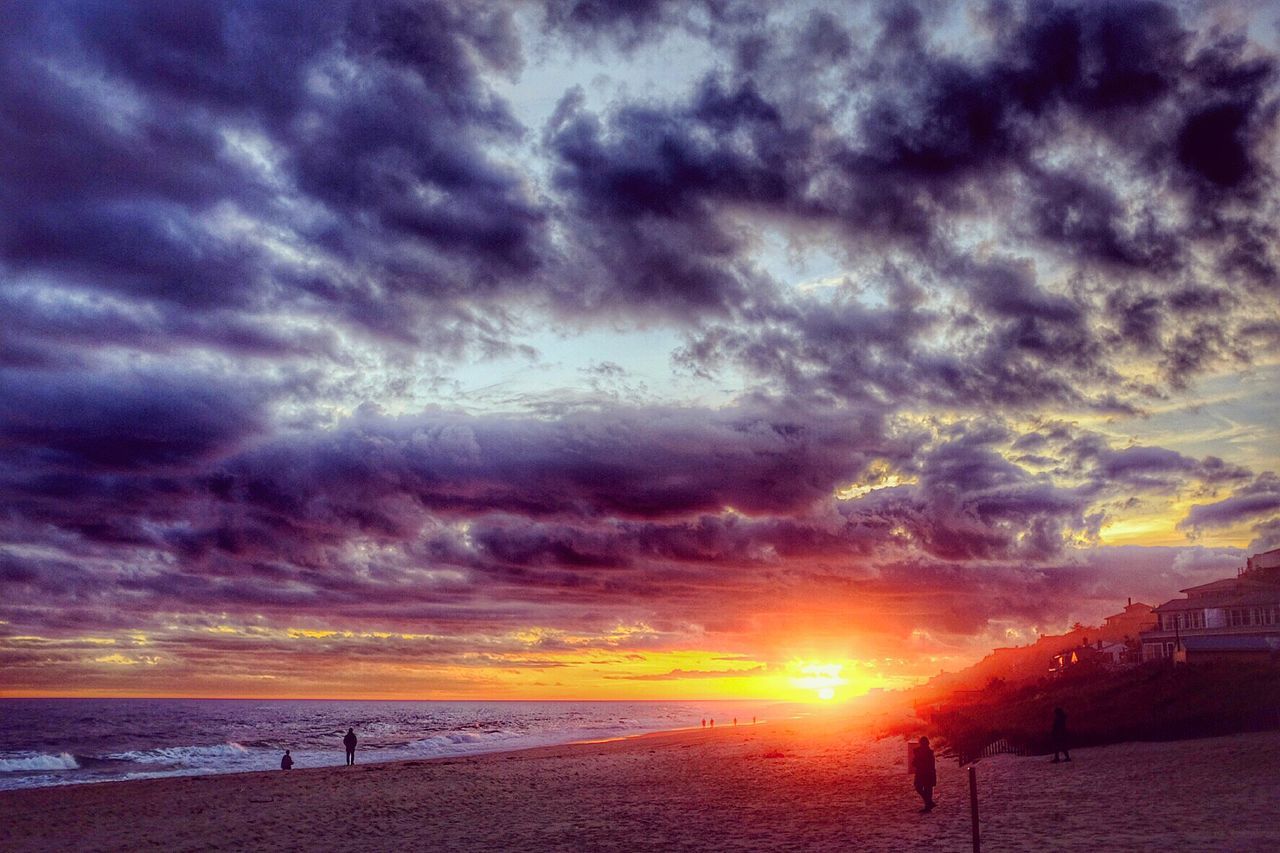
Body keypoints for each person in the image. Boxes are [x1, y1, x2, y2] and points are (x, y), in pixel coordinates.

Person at [913, 737, 937, 813]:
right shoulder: (929, 752)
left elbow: (914, 763)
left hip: (921, 772)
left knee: (919, 787)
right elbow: (932, 764)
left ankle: (928, 805)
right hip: (928, 772)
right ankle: (929, 803)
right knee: (927, 789)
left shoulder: (919, 751)